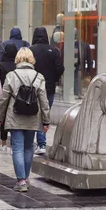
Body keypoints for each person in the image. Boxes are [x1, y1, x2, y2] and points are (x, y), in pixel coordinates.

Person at [0, 48, 50, 192]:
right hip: (33, 117)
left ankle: (20, 181)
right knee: (28, 148)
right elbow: (44, 101)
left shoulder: (11, 76)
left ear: (18, 59)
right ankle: (25, 178)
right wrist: (46, 121)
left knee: (18, 148)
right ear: (31, 59)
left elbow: (3, 99)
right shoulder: (39, 77)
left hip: (15, 116)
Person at [30, 27, 64, 155]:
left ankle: (36, 142)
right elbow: (60, 68)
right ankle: (41, 143)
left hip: (33, 87)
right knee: (45, 113)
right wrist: (54, 79)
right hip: (49, 87)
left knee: (34, 113)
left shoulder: (30, 50)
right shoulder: (54, 51)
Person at [0, 44, 18, 154]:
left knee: (3, 119)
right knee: (15, 118)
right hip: (16, 96)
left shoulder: (1, 65)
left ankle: (3, 143)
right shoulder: (17, 66)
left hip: (4, 94)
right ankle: (13, 144)